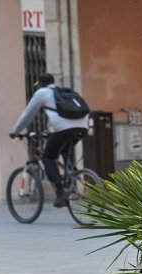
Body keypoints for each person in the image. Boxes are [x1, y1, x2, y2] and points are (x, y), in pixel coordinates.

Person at [10, 73, 89, 208]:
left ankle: (61, 190)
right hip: (82, 127)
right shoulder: (64, 92)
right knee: (64, 150)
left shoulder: (42, 93)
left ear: (40, 84)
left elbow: (28, 115)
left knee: (48, 157)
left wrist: (16, 131)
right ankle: (73, 177)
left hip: (62, 129)